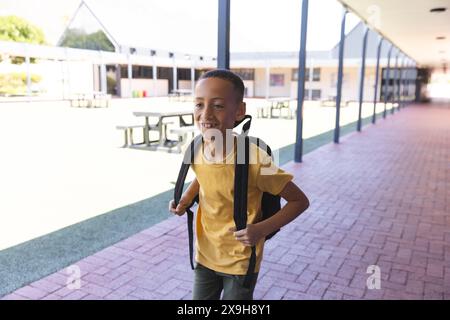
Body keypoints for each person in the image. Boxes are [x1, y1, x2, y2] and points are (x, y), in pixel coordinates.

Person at [169, 69, 309, 300]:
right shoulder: (196, 150)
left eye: (218, 105)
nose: (206, 114)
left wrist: (261, 230)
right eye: (199, 105)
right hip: (205, 253)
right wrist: (186, 199)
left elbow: (300, 201)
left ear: (239, 112)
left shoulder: (255, 160)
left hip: (241, 259)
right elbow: (204, 177)